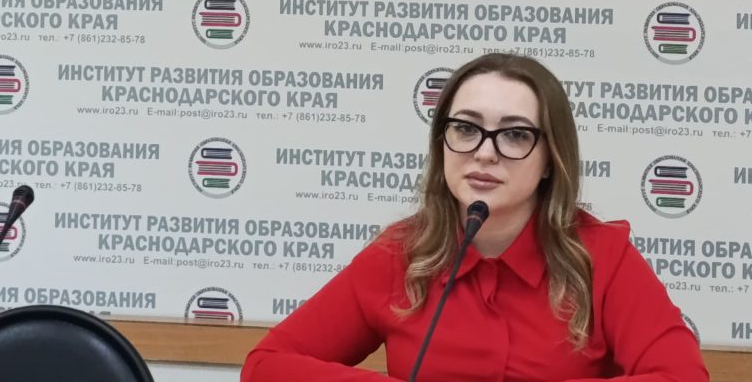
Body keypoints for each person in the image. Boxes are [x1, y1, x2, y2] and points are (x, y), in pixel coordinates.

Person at [242, 52, 708, 382]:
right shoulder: (402, 253)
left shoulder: (601, 257)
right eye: (466, 128)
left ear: (551, 159)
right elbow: (266, 365)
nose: (484, 153)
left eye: (515, 135)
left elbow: (681, 376)